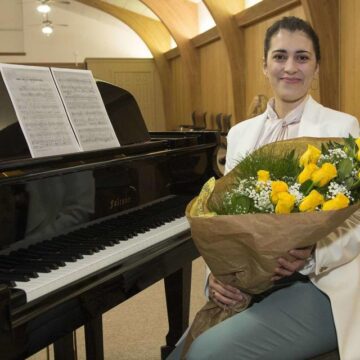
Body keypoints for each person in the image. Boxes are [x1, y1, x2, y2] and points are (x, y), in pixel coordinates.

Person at [167, 16, 360, 360]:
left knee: (206, 353)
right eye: (280, 56)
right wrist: (216, 276)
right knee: (182, 351)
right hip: (250, 281)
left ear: (316, 67)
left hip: (320, 284)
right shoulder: (242, 133)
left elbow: (356, 221)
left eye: (302, 57)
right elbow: (221, 218)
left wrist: (315, 253)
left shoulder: (342, 126)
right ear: (264, 65)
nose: (290, 67)